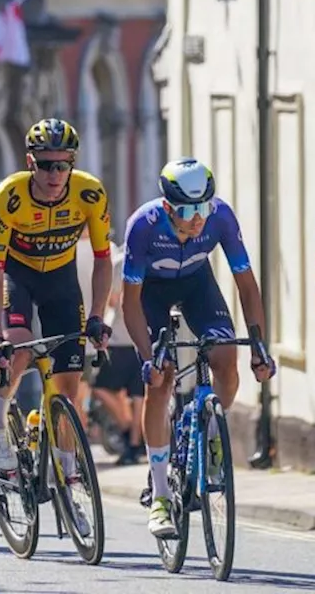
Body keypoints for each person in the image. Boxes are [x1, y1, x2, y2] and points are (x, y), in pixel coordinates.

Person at [120, 158, 273, 538]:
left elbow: (247, 287)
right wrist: (146, 357)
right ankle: (159, 496)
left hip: (196, 286)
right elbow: (129, 303)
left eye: (202, 207)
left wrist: (260, 345)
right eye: (187, 210)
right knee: (161, 378)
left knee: (225, 357)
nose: (197, 218)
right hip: (150, 296)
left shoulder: (220, 217)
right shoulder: (143, 226)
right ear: (168, 206)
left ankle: (210, 437)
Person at [0, 119, 112, 534]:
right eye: (46, 165)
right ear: (30, 162)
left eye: (63, 165)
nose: (55, 175)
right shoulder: (10, 196)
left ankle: (69, 480)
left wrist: (96, 316)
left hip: (61, 281)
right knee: (18, 349)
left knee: (68, 390)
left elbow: (104, 259)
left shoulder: (89, 192)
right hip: (17, 278)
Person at [90, 243, 144, 466]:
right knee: (140, 394)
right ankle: (134, 441)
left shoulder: (119, 263)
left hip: (121, 337)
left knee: (101, 388)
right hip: (145, 338)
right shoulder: (153, 261)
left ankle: (128, 429)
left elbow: (112, 300)